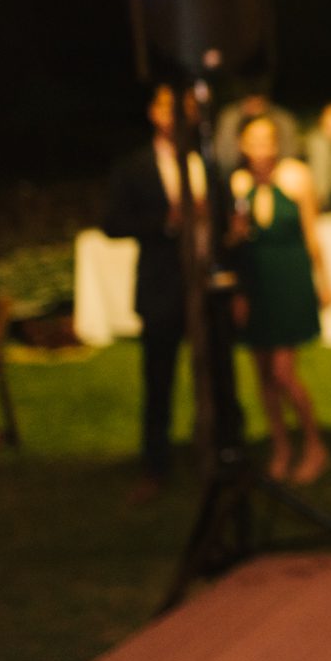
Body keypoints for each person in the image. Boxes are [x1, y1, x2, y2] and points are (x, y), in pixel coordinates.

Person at [102, 84, 245, 501]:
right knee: (159, 379)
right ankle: (155, 466)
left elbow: (225, 222)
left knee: (221, 375)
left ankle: (227, 455)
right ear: (153, 113)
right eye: (166, 107)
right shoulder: (135, 166)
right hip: (163, 288)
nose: (174, 116)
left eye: (181, 108)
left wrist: (225, 230)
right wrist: (167, 220)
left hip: (210, 288)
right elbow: (112, 223)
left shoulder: (208, 162)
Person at [230, 116, 330, 484]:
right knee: (263, 375)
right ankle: (281, 447)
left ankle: (315, 444)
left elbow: (311, 234)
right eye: (254, 141)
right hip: (256, 284)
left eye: (267, 139)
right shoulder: (238, 184)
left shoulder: (296, 177)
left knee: (283, 373)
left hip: (289, 281)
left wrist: (323, 282)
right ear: (243, 146)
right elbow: (232, 245)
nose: (262, 148)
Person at [215, 90, 299, 171]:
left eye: (265, 143)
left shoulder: (290, 175)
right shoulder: (240, 179)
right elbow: (225, 160)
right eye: (254, 143)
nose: (260, 152)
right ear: (241, 145)